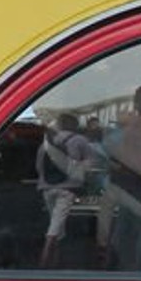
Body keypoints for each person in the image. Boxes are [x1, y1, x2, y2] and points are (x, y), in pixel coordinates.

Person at [36, 111, 95, 267]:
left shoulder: (47, 141)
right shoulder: (80, 140)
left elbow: (39, 165)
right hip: (67, 187)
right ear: (75, 125)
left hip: (47, 188)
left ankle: (55, 260)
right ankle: (45, 256)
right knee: (56, 225)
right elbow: (90, 163)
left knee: (55, 222)